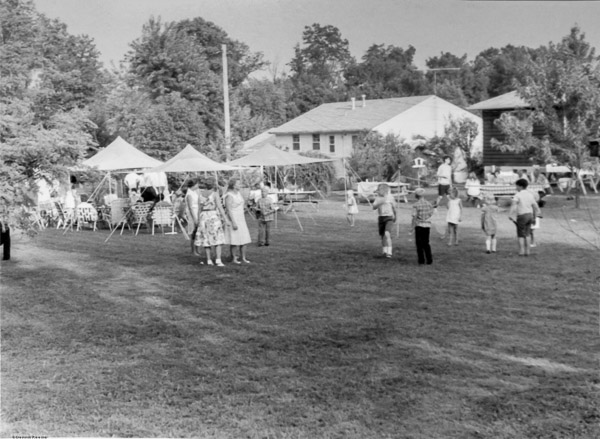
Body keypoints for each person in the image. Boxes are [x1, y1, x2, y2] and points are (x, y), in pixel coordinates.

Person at [196, 179, 228, 266]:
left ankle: (209, 260)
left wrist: (198, 219)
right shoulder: (215, 194)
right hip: (213, 215)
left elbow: (199, 208)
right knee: (217, 238)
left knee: (206, 238)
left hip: (203, 216)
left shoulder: (200, 194)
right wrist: (225, 218)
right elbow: (220, 207)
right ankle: (218, 259)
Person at [508, 178, 541, 256]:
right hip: (530, 215)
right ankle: (528, 251)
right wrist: (537, 213)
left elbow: (514, 205)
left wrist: (510, 214)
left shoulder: (518, 195)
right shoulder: (530, 194)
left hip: (522, 216)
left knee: (520, 234)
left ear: (520, 186)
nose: (516, 188)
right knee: (527, 233)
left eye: (516, 186)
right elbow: (535, 205)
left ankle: (521, 251)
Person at [224, 178, 252, 264]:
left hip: (241, 218)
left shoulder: (239, 193)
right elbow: (228, 209)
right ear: (233, 185)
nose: (240, 185)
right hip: (234, 218)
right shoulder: (229, 195)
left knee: (244, 238)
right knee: (234, 239)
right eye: (238, 184)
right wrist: (233, 222)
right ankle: (234, 258)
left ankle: (243, 257)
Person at [372, 183, 396, 258]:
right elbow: (374, 207)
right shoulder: (378, 198)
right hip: (381, 217)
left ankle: (389, 252)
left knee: (387, 233)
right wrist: (380, 202)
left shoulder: (390, 197)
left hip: (389, 217)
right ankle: (384, 251)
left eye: (379, 190)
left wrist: (395, 216)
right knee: (382, 235)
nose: (378, 192)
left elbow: (394, 208)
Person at [411, 187, 434, 265]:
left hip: (419, 225)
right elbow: (431, 213)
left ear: (416, 196)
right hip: (427, 225)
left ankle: (421, 260)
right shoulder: (429, 204)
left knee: (419, 244)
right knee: (426, 243)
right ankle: (429, 260)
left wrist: (411, 227)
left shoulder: (416, 205)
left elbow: (414, 216)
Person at [184, 180, 201, 257]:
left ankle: (197, 249)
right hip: (192, 213)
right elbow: (190, 207)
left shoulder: (194, 192)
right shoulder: (189, 194)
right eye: (197, 184)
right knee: (193, 232)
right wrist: (194, 218)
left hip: (197, 212)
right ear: (194, 185)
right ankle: (193, 250)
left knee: (198, 232)